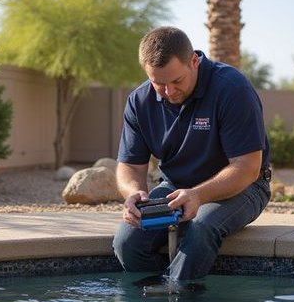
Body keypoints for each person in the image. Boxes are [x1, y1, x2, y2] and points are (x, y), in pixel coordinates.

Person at [113, 26, 271, 288]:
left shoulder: (232, 88)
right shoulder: (139, 102)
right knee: (127, 242)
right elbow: (129, 164)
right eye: (159, 84)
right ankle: (156, 301)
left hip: (245, 186)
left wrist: (198, 195)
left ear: (194, 61)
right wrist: (133, 193)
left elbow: (247, 167)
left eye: (177, 81)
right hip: (176, 187)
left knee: (202, 227)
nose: (169, 92)